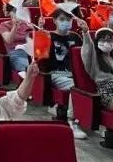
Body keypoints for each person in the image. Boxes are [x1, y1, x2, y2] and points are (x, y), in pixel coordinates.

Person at [43, 10, 87, 139]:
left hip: (74, 73)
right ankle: (72, 120)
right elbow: (40, 59)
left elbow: (86, 55)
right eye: (62, 19)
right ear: (54, 21)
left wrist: (86, 33)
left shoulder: (75, 37)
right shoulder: (48, 35)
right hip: (56, 73)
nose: (65, 22)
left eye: (68, 20)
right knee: (76, 87)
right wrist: (40, 34)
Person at [81, 25, 113, 111]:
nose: (106, 42)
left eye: (109, 40)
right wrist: (86, 33)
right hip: (107, 94)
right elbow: (87, 48)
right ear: (97, 42)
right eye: (103, 39)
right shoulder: (93, 59)